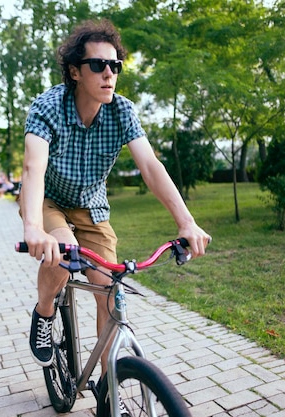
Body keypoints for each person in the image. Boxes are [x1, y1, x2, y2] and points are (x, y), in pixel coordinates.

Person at [19, 19, 211, 374]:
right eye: (98, 65)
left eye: (115, 66)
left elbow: (151, 167)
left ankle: (110, 391)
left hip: (92, 206)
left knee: (109, 290)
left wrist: (187, 222)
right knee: (63, 253)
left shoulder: (122, 111)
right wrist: (33, 227)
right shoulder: (48, 106)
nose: (109, 73)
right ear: (75, 71)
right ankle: (45, 311)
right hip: (49, 200)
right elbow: (33, 168)